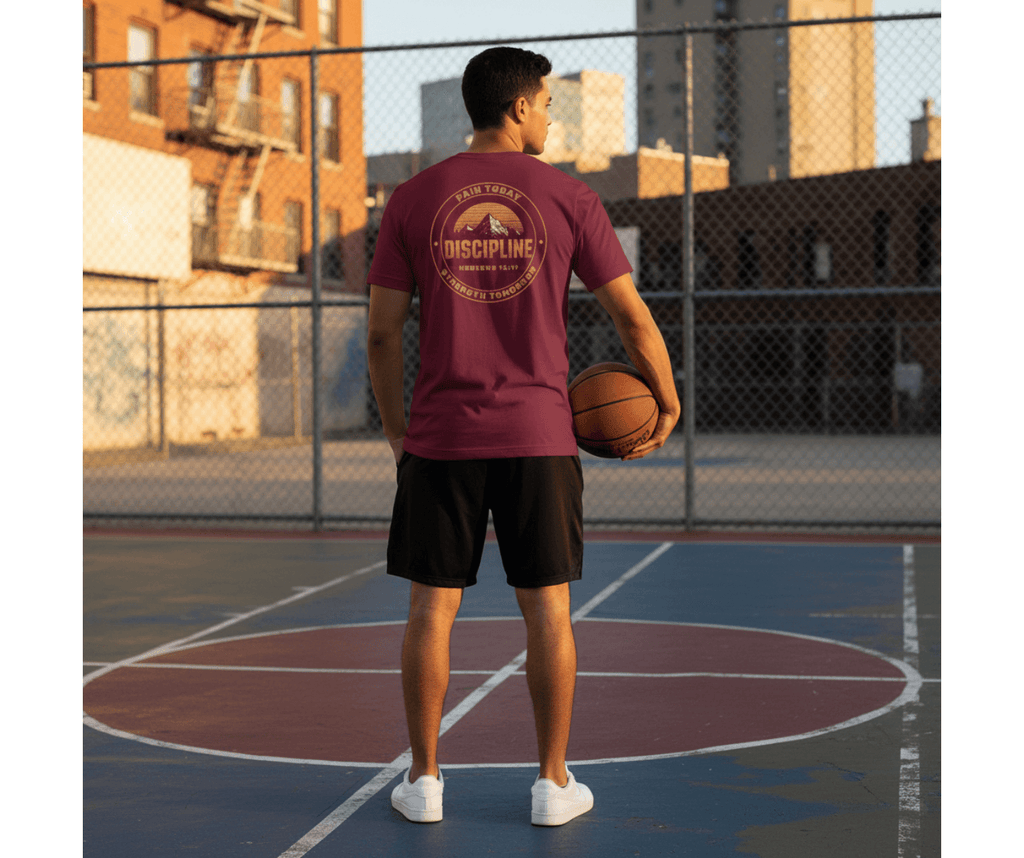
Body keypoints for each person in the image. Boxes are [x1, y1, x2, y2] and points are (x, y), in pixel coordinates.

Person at [366, 46, 680, 826]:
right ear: (516, 109)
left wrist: (401, 437)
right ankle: (551, 784)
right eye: (545, 102)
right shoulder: (570, 197)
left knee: (429, 614)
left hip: (440, 439)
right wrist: (667, 400)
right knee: (548, 612)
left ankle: (425, 783)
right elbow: (630, 318)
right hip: (540, 436)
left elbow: (380, 336)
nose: (550, 115)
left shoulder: (410, 199)